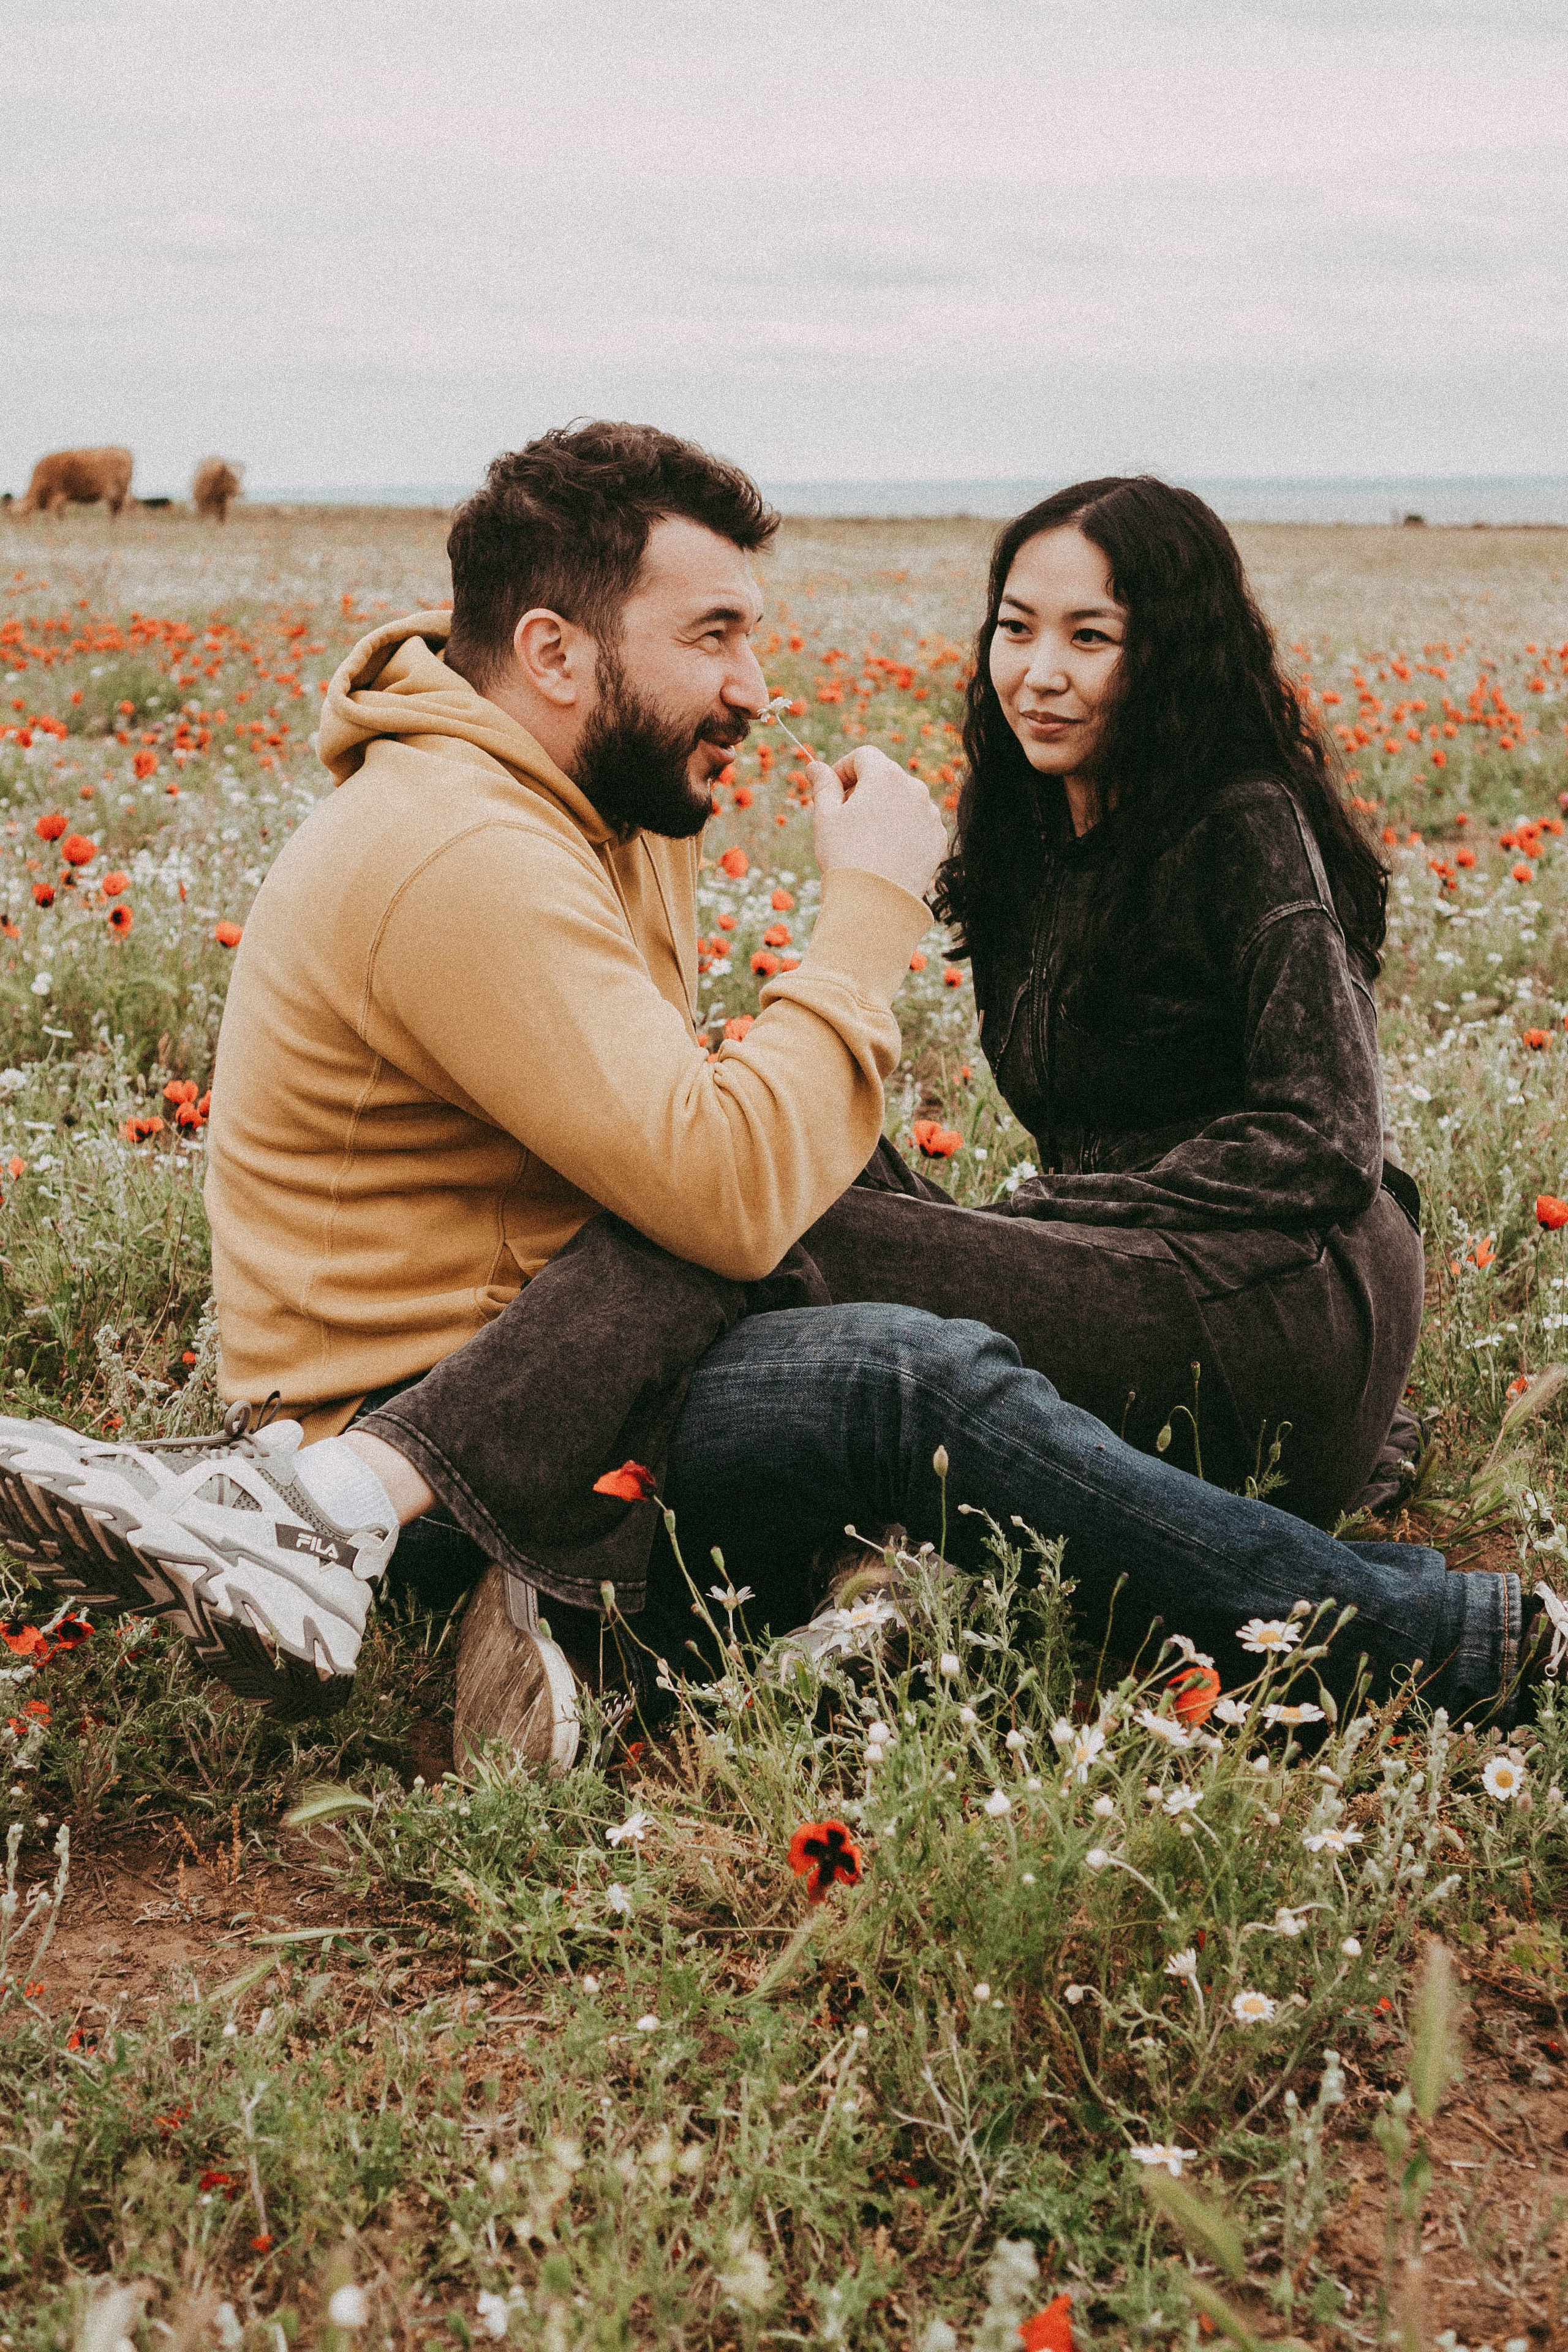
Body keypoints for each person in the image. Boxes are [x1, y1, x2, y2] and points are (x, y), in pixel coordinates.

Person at [0, 427, 1560, 1764]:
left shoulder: (575, 798)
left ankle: (418, 1546)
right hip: (480, 1411)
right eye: (714, 638)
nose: (757, 683)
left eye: (1090, 635)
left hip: (561, 1362)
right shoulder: (468, 847)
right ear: (553, 655)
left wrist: (1008, 1218)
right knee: (887, 1356)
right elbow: (725, 1192)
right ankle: (1404, 1632)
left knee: (818, 1209)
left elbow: (1313, 1139)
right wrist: (864, 920)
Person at [802, 478, 1420, 1527]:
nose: (1040, 676)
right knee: (772, 1139)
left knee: (779, 1227)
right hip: (1124, 1276)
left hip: (1278, 1298)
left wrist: (1040, 1216)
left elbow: (1326, 1140)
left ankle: (465, 1487)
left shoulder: (1242, 822)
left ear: (1171, 654)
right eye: (1016, 630)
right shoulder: (1026, 837)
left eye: (1091, 637)